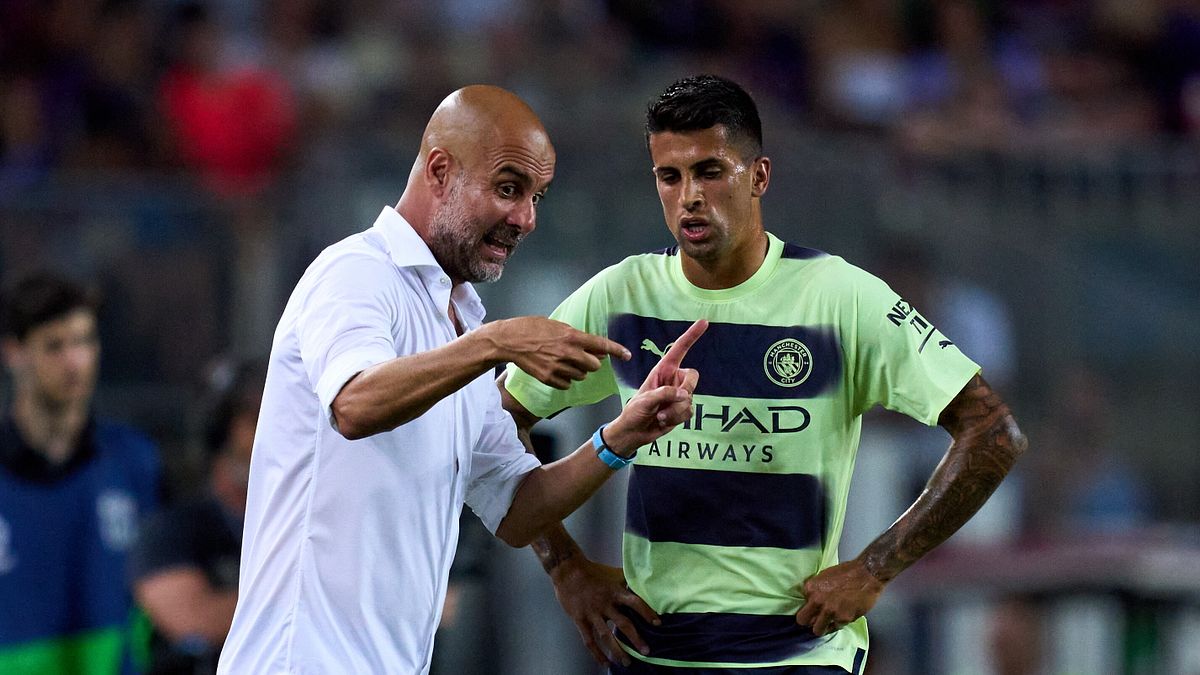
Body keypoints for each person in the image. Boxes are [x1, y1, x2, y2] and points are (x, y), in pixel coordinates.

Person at [500, 74, 1028, 674]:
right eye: (669, 177)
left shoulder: (840, 297)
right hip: (654, 655)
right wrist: (565, 567)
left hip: (800, 655)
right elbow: (499, 419)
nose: (689, 196)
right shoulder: (620, 297)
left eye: (710, 171)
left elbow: (994, 431)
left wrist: (875, 568)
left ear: (759, 176)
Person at [217, 84, 707, 675]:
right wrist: (493, 344)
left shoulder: (459, 322)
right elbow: (354, 404)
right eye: (508, 189)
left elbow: (517, 509)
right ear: (440, 171)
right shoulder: (356, 273)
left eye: (536, 197)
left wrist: (619, 438)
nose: (526, 219)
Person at [0, 271, 162, 674]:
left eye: (85, 341)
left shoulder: (135, 463)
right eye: (54, 346)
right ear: (14, 353)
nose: (75, 361)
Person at [128, 358, 265, 674]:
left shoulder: (295, 527)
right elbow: (191, 619)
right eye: (254, 421)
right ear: (220, 435)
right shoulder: (174, 529)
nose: (270, 436)